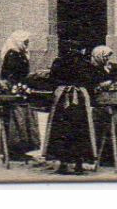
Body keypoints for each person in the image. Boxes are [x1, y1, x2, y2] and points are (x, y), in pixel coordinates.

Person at [43, 42, 100, 174]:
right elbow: (92, 81)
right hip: (79, 99)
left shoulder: (59, 62)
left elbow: (51, 80)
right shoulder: (86, 63)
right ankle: (79, 164)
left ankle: (63, 163)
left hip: (62, 98)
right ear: (82, 49)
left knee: (61, 129)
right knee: (81, 129)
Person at [0, 31, 41, 160]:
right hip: (14, 91)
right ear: (18, 41)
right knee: (17, 121)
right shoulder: (12, 55)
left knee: (24, 120)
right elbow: (11, 75)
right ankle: (13, 151)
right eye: (25, 41)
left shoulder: (21, 54)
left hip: (21, 90)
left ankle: (21, 150)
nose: (27, 44)